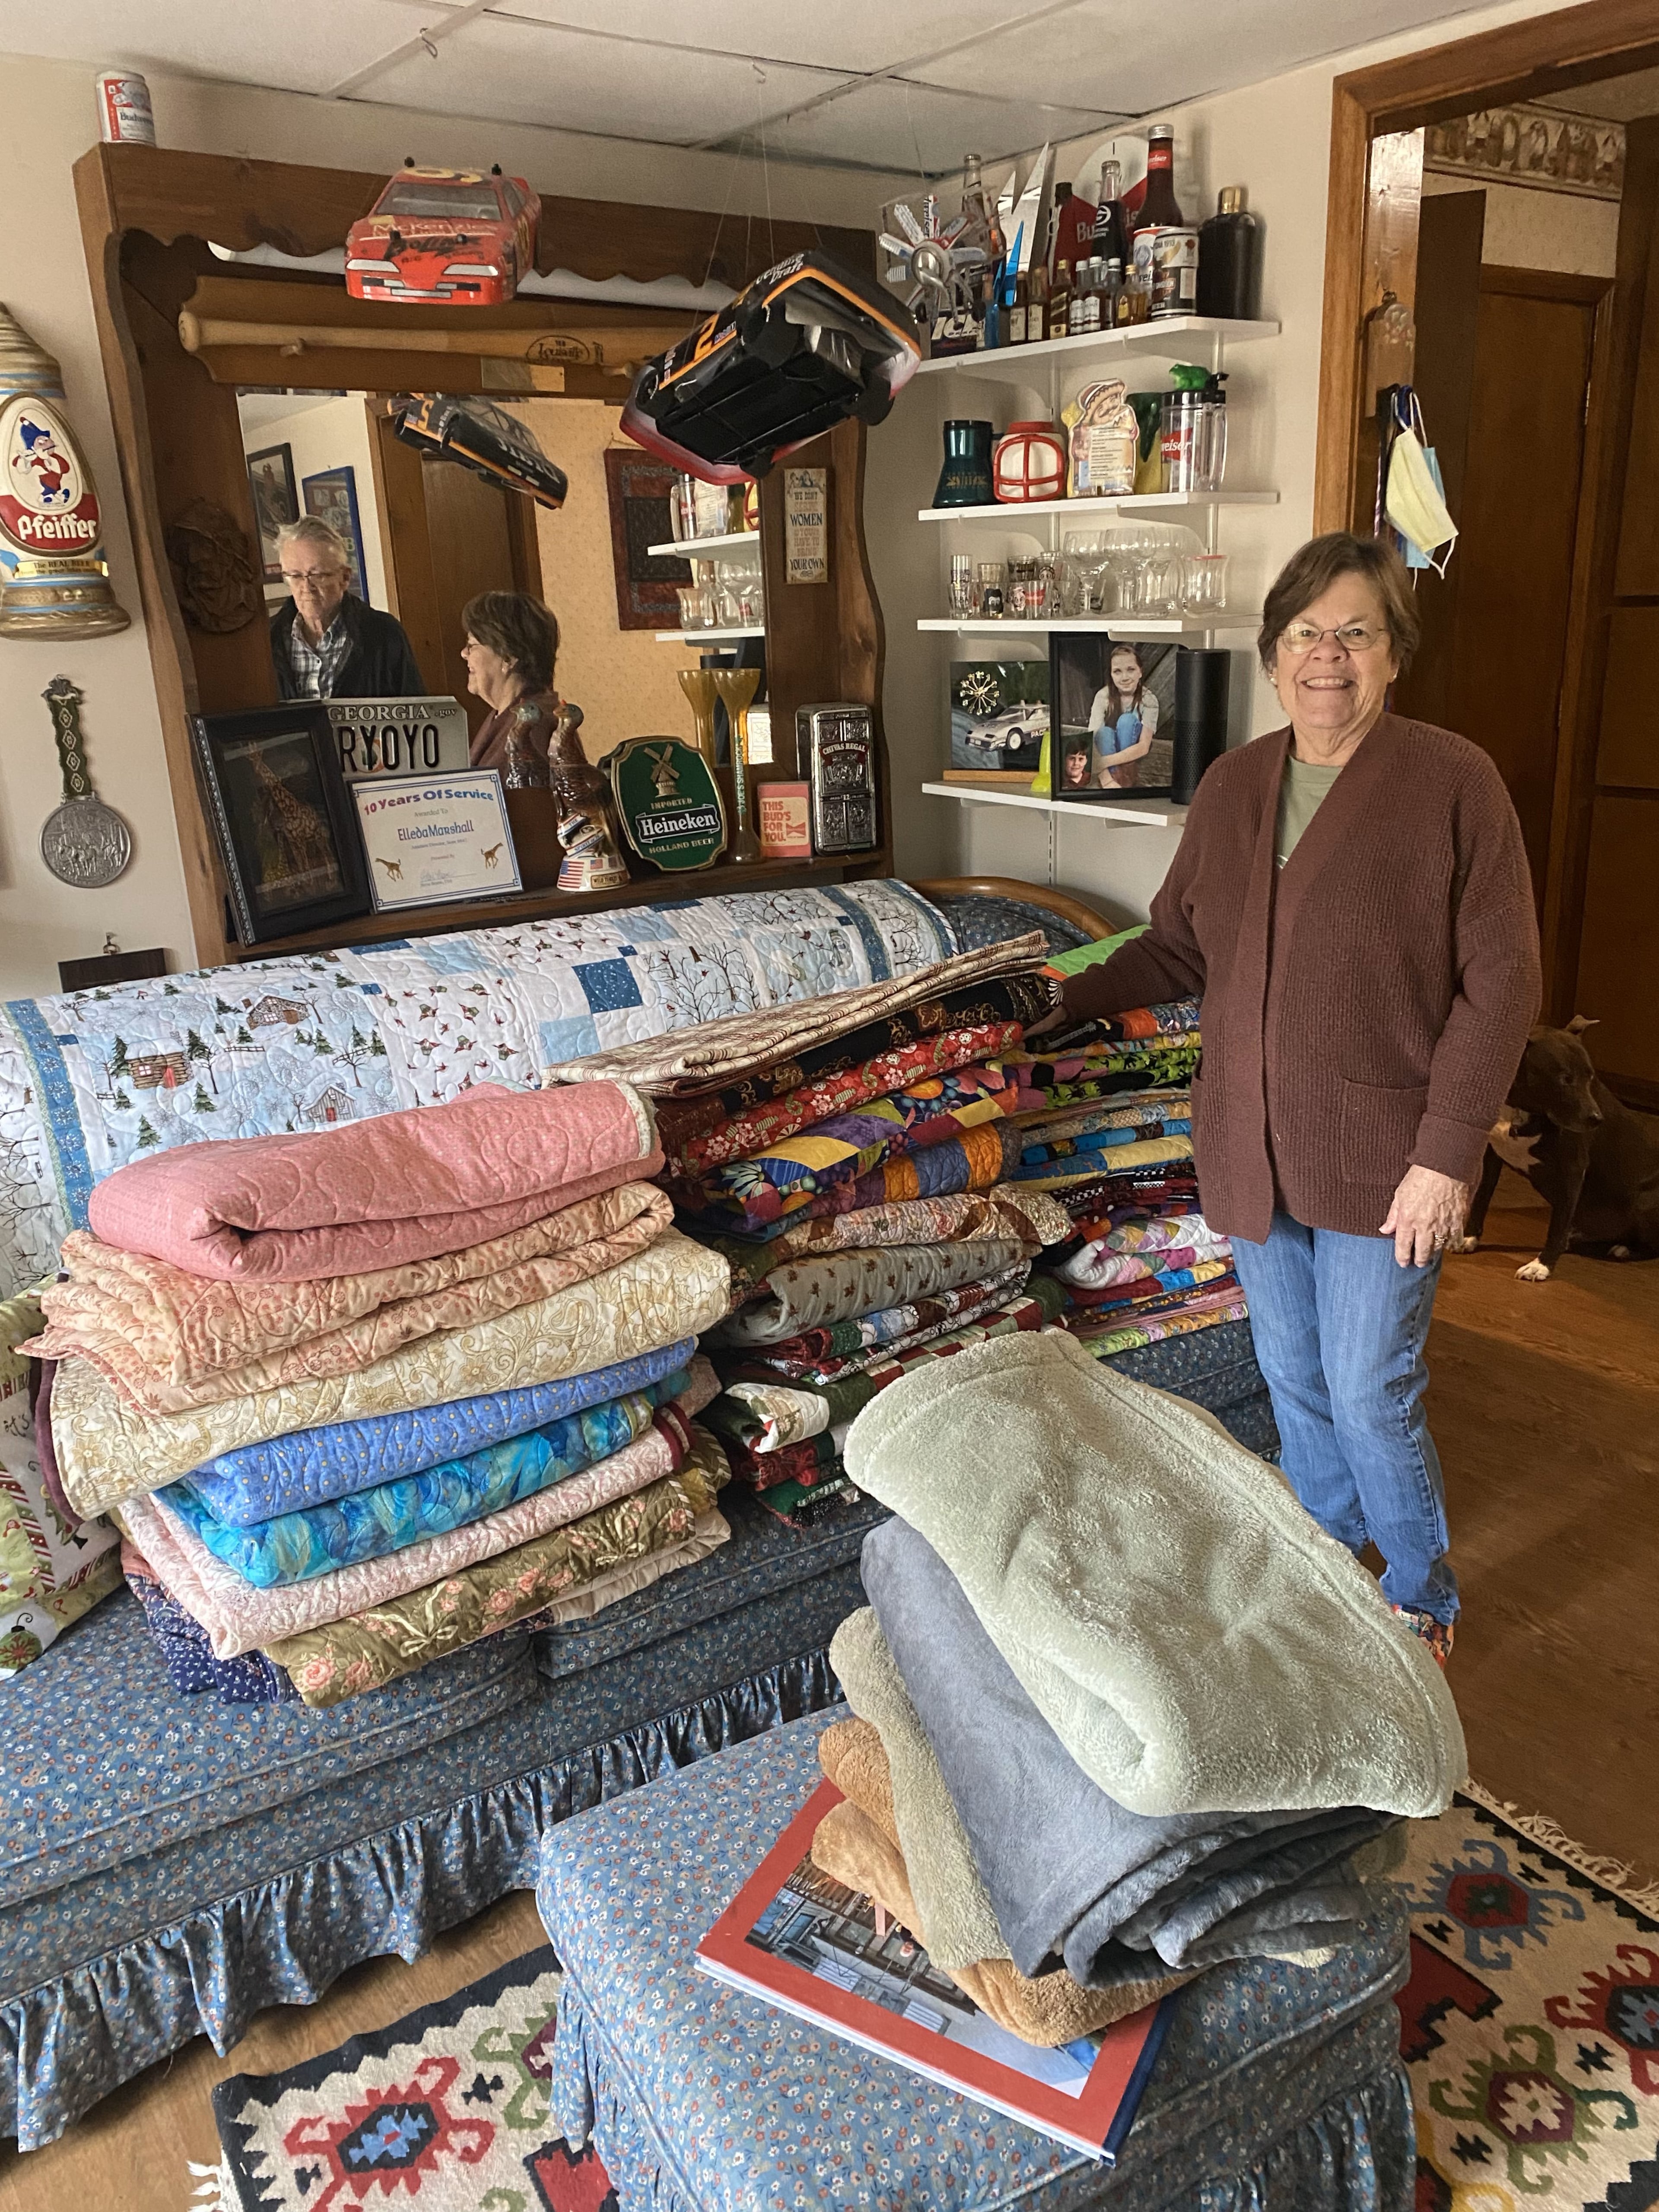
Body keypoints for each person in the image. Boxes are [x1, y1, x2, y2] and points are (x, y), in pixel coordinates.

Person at [1052, 532, 1540, 1664]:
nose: (1329, 657)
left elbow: (1505, 980)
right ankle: (1330, 1554)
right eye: (1306, 634)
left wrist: (1448, 1153)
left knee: (1371, 1388)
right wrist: (1057, 990)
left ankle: (1420, 1595)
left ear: (1394, 655)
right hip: (1251, 1146)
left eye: (1356, 633)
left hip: (1389, 1158)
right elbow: (1177, 947)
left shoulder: (1452, 781)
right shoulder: (1234, 785)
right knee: (1295, 1377)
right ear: (1274, 658)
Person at [269, 517, 423, 701]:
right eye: (295, 576)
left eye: (317, 575)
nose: (306, 586)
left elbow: (416, 713)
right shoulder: (269, 639)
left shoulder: (384, 634)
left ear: (345, 578)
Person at [461, 589, 566, 772]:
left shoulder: (533, 725)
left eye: (472, 646)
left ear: (508, 657)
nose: (464, 654)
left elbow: (528, 799)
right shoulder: (505, 714)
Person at [1087, 643, 1159, 788]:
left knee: (1127, 721)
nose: (1124, 677)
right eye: (1117, 671)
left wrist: (1103, 762)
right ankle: (1114, 782)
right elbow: (1091, 739)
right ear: (1111, 675)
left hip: (1131, 763)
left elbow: (1144, 747)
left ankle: (1124, 779)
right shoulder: (1103, 696)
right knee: (1104, 733)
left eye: (1131, 670)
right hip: (1107, 773)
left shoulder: (1149, 699)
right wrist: (1106, 779)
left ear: (1141, 672)